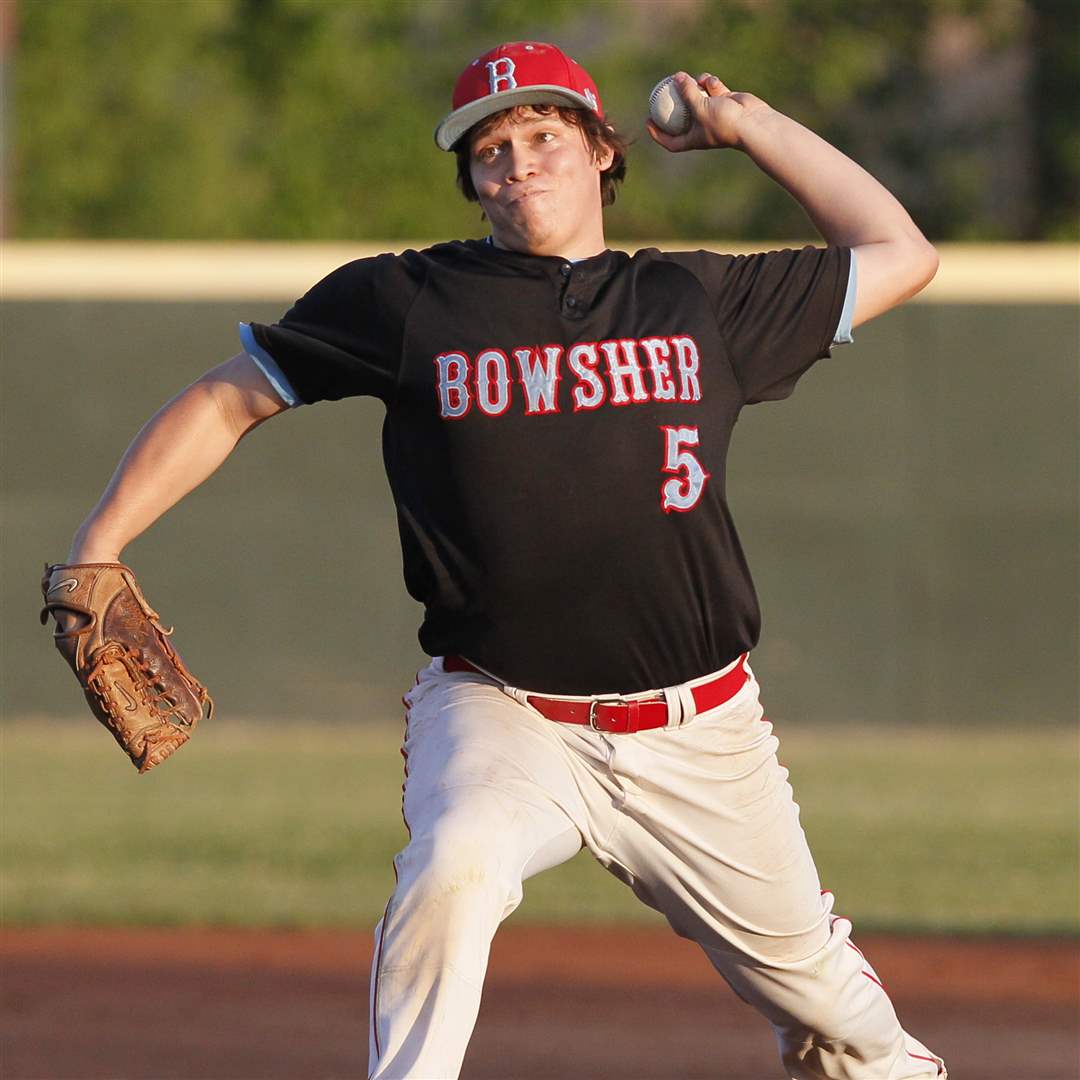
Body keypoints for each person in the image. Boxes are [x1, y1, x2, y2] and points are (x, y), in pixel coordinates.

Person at [58, 40, 945, 1080]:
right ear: (471, 180)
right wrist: (98, 545)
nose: (516, 162)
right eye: (489, 149)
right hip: (504, 711)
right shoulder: (411, 301)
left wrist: (748, 125)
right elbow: (227, 397)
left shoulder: (696, 301)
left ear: (601, 149)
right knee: (454, 866)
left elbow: (902, 251)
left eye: (542, 134)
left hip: (697, 729)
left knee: (833, 1014)